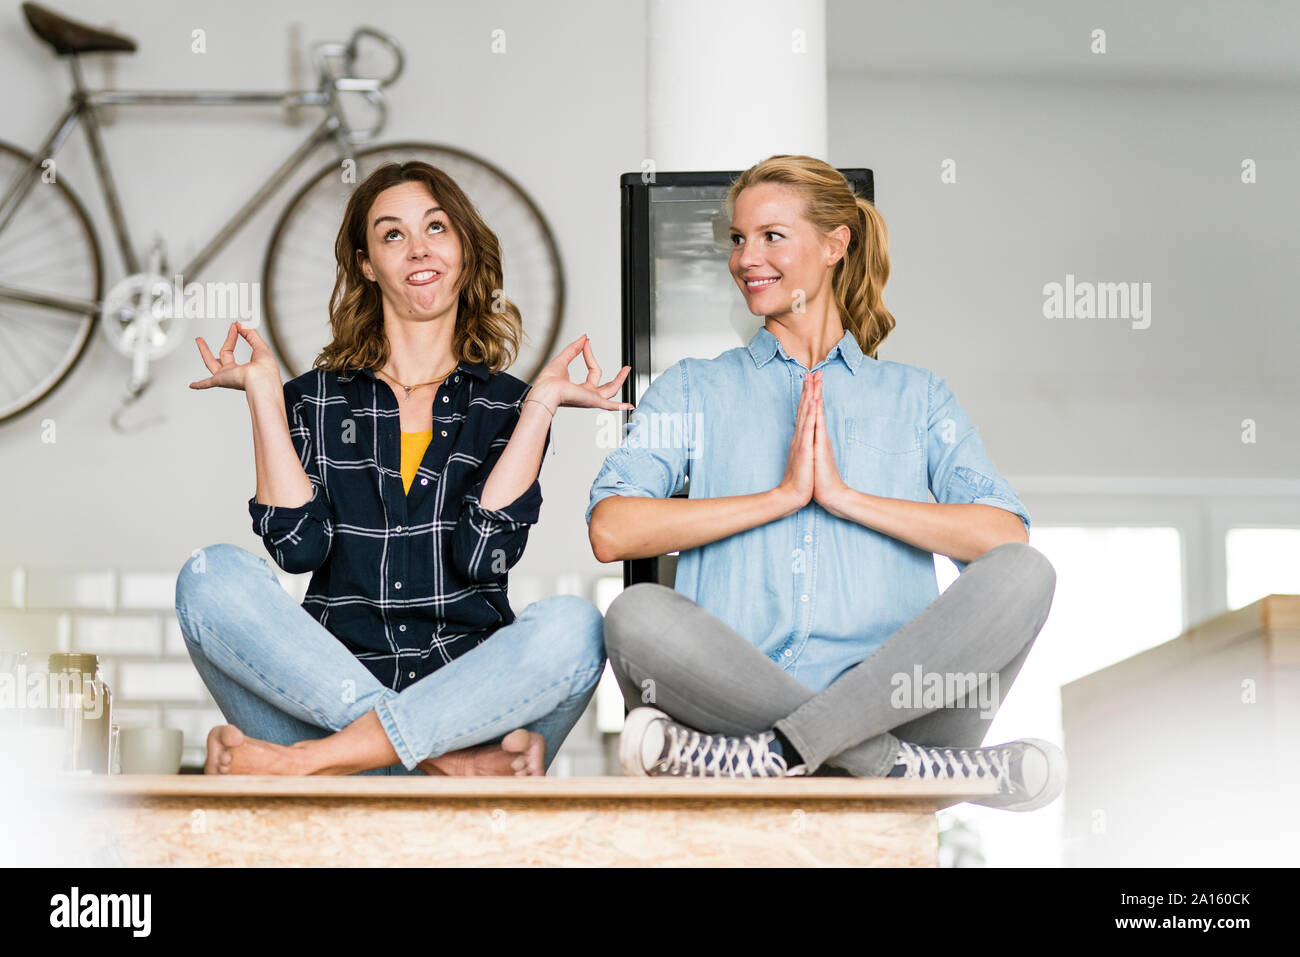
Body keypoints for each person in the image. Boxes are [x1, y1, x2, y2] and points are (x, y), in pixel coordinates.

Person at [587, 154, 1065, 811]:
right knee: (634, 614)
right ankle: (888, 768)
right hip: (731, 715)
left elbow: (1002, 537)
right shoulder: (695, 388)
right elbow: (612, 529)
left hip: (892, 714)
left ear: (835, 244)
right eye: (737, 238)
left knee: (1025, 572)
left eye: (771, 236)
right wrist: (778, 497)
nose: (745, 257)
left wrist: (847, 498)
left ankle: (783, 755)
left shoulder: (917, 397)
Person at [175, 161, 631, 776]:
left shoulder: (506, 405)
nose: (418, 249)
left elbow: (483, 554)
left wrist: (542, 405)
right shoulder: (313, 397)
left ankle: (332, 762)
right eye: (392, 234)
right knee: (209, 575)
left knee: (576, 626)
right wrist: (263, 391)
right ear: (367, 264)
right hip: (340, 706)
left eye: (436, 227)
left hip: (467, 705)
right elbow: (296, 547)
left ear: (465, 249)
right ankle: (439, 767)